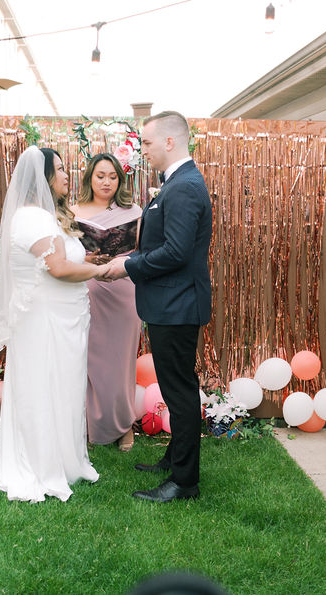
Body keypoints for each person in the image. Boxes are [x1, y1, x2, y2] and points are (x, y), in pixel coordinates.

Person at [0, 146, 108, 502]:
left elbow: (55, 259)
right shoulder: (34, 219)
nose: (67, 175)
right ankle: (40, 465)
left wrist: (86, 259)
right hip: (46, 323)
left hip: (61, 319)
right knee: (45, 388)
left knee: (61, 388)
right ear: (43, 178)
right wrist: (103, 270)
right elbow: (59, 268)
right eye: (60, 169)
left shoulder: (42, 216)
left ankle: (64, 459)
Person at [105, 111, 213, 503]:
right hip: (170, 302)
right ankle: (174, 459)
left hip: (178, 304)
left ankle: (185, 482)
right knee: (175, 386)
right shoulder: (176, 183)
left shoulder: (183, 187)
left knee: (180, 391)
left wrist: (128, 266)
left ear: (170, 142)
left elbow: (177, 252)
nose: (143, 150)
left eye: (147, 143)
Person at [72, 153, 143, 452]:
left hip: (124, 288)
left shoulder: (134, 210)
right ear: (90, 177)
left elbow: (144, 249)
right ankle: (93, 425)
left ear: (120, 180)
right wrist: (87, 257)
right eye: (100, 176)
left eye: (112, 177)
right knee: (91, 361)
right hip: (88, 288)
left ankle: (124, 426)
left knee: (122, 361)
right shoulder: (73, 210)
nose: (106, 182)